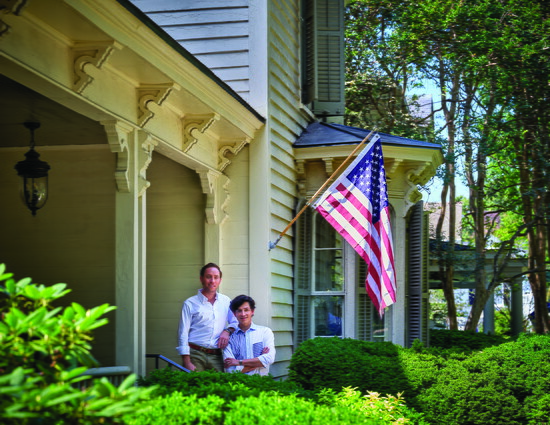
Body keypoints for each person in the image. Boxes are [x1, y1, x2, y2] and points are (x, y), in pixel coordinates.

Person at [176, 263, 238, 372]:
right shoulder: (190, 303)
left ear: (220, 280)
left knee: (218, 387)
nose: (212, 281)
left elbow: (235, 322)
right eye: (208, 277)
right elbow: (183, 333)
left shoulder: (226, 301)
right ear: (201, 279)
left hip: (217, 355)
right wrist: (186, 361)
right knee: (194, 386)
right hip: (195, 354)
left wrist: (227, 331)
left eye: (216, 277)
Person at [223, 295, 275, 375]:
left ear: (252, 311)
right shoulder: (229, 338)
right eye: (239, 311)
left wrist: (238, 362)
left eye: (246, 310)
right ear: (234, 314)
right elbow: (231, 371)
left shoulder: (265, 332)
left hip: (261, 383)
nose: (243, 314)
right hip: (238, 384)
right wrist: (258, 362)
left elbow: (269, 359)